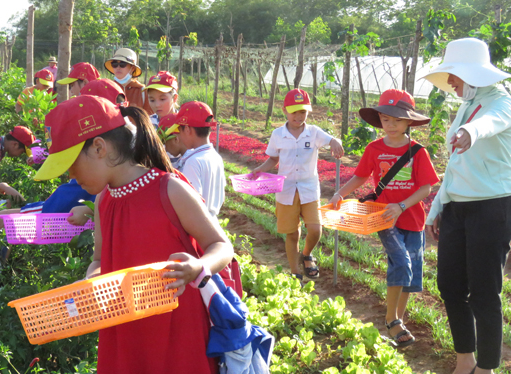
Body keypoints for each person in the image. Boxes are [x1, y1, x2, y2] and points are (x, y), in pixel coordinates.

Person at [33, 95, 233, 374]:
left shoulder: (169, 189)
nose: (72, 177)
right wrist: (91, 280)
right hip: (125, 327)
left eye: (71, 166)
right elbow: (100, 260)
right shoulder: (104, 200)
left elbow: (221, 246)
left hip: (177, 328)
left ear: (99, 148)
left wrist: (199, 266)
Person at [421, 38, 511, 374]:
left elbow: (491, 124)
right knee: (450, 286)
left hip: (491, 208)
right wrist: (437, 207)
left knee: (485, 292)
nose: (452, 83)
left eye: (455, 76)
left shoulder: (501, 101)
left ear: (473, 74)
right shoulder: (466, 103)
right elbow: (458, 166)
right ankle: (465, 361)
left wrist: (470, 132)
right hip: (457, 208)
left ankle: (486, 368)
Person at [328, 89, 438, 348]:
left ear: (409, 122)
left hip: (412, 217)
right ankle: (391, 320)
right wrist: (340, 193)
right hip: (383, 217)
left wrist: (401, 205)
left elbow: (426, 188)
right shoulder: (374, 148)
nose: (391, 125)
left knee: (411, 275)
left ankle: (398, 318)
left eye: (397, 120)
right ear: (379, 119)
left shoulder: (418, 152)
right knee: (401, 263)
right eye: (386, 119)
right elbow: (361, 176)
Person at [252, 89, 344, 280]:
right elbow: (273, 159)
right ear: (284, 110)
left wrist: (336, 142)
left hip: (309, 188)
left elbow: (331, 140)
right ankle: (295, 272)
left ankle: (307, 254)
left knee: (315, 229)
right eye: (294, 111)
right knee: (292, 233)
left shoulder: (313, 132)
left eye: (302, 112)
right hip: (286, 190)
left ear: (307, 113)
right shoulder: (278, 134)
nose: (298, 116)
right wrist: (260, 170)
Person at [175, 101, 226, 219]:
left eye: (179, 131)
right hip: (213, 222)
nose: (180, 136)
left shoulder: (193, 162)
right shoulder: (216, 157)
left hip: (198, 225)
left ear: (187, 129)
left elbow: (192, 204)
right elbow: (221, 198)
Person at [104, 48, 153, 114]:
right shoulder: (107, 89)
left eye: (122, 64)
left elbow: (149, 118)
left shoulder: (142, 91)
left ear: (132, 68)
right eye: (114, 64)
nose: (118, 67)